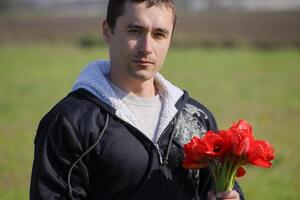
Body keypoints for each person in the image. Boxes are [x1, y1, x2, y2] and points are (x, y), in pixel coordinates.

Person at [30, 0, 244, 199]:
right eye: (135, 31)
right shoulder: (70, 121)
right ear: (107, 30)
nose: (146, 47)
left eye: (159, 34)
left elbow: (219, 190)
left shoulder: (196, 118)